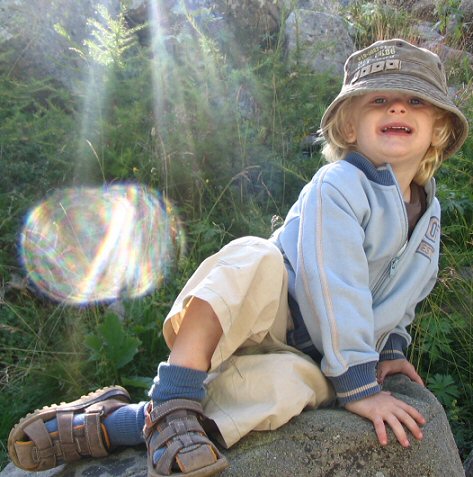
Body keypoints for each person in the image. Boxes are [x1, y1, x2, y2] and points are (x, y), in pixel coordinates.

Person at [8, 38, 469, 477]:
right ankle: (174, 392)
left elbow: (407, 292)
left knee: (284, 392)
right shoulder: (339, 186)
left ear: (438, 129)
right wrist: (362, 388)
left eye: (415, 101)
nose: (397, 108)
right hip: (275, 309)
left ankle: (128, 423)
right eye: (378, 100)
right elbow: (336, 285)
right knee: (253, 257)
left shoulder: (428, 214)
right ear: (350, 126)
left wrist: (390, 349)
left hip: (318, 354)